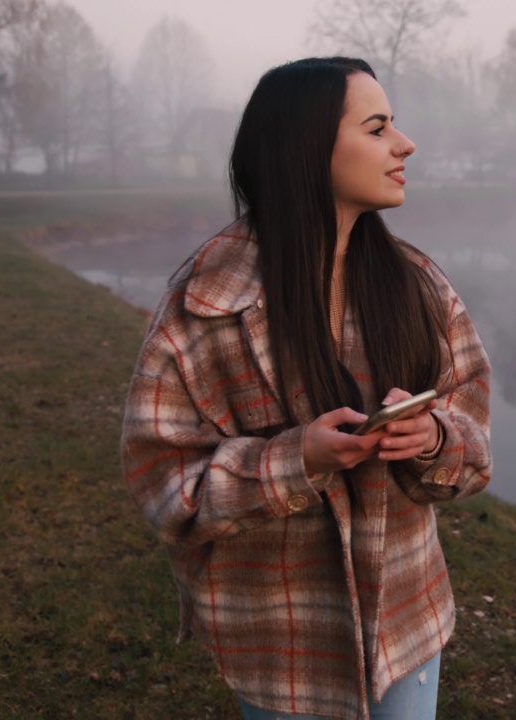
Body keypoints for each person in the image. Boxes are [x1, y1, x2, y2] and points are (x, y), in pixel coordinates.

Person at [120, 57, 492, 720]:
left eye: (393, 126)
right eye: (377, 128)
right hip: (281, 643)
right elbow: (165, 489)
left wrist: (434, 437)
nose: (404, 145)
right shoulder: (204, 309)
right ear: (306, 150)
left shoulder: (419, 286)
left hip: (409, 623)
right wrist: (298, 461)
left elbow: (475, 445)